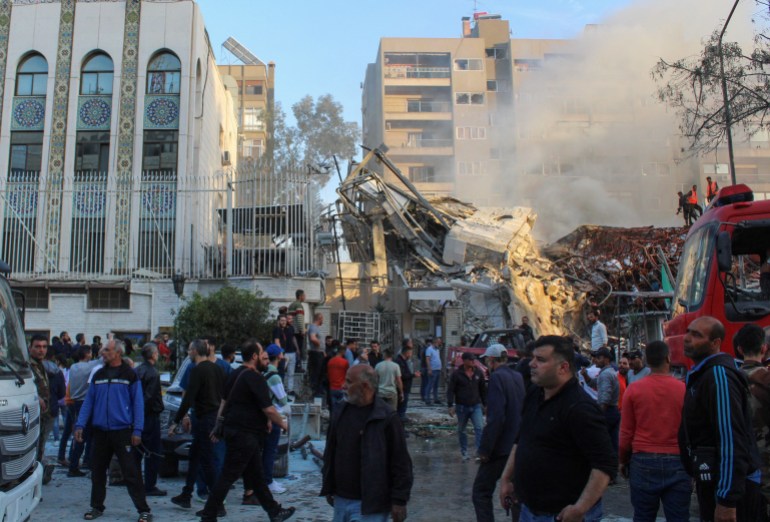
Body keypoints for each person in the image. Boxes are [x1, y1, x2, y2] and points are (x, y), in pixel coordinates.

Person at [499, 335, 617, 522]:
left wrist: (580, 508)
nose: (532, 364)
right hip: (528, 510)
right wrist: (506, 478)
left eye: (541, 360)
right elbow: (521, 439)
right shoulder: (534, 394)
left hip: (562, 515)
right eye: (533, 358)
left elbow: (605, 465)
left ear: (563, 367)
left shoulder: (580, 408)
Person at [198, 342, 295, 522]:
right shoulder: (254, 378)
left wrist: (218, 427)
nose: (265, 358)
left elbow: (224, 403)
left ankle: (274, 512)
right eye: (262, 354)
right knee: (228, 476)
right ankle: (208, 514)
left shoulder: (234, 374)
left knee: (256, 476)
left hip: (237, 432)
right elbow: (269, 409)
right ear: (254, 356)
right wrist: (284, 425)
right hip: (245, 434)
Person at [680, 316, 763, 522]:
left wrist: (727, 499)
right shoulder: (702, 374)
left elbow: (731, 439)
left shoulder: (718, 375)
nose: (687, 338)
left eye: (697, 335)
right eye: (689, 332)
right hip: (713, 483)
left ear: (715, 343)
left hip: (730, 490)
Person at [321, 364, 413, 522]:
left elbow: (401, 462)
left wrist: (399, 500)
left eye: (349, 382)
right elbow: (331, 451)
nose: (344, 386)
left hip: (370, 504)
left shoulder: (386, 417)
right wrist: (328, 484)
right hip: (341, 499)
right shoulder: (341, 412)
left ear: (364, 386)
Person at [74, 339, 152, 522]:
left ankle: (144, 510)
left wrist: (137, 430)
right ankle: (96, 507)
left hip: (123, 432)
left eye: (107, 350)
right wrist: (80, 425)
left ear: (118, 353)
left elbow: (138, 404)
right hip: (100, 432)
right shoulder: (98, 375)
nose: (103, 352)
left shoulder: (130, 375)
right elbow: (89, 402)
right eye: (103, 350)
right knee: (98, 471)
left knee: (131, 472)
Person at [619, 340, 691, 521]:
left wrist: (622, 459)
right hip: (678, 460)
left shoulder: (634, 389)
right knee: (679, 517)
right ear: (668, 358)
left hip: (643, 460)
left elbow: (626, 432)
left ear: (647, 361)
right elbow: (690, 429)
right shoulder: (683, 389)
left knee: (643, 516)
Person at [169, 340, 225, 510]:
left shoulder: (196, 370)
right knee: (195, 457)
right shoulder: (217, 368)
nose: (188, 352)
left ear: (195, 351)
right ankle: (186, 494)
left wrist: (176, 421)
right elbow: (224, 395)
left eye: (189, 349)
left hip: (204, 419)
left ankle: (217, 504)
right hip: (212, 418)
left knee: (206, 461)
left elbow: (188, 398)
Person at [473, 344, 524, 522]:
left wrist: (485, 450)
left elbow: (496, 418)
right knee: (516, 494)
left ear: (492, 360)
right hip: (517, 446)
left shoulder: (497, 378)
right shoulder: (517, 377)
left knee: (481, 491)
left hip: (500, 448)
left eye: (487, 360)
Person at [734, 323, 770, 511]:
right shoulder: (766, 378)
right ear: (764, 348)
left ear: (739, 349)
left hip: (739, 471)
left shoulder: (729, 380)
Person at [134, 342, 166, 497]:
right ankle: (149, 485)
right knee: (153, 451)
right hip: (149, 416)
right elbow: (149, 397)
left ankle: (135, 482)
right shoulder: (152, 373)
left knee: (138, 450)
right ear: (153, 355)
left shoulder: (137, 370)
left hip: (139, 415)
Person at [65, 345, 102, 476]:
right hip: (84, 403)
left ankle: (76, 462)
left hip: (74, 403)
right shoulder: (87, 367)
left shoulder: (74, 367)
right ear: (87, 354)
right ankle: (75, 466)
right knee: (83, 436)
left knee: (78, 435)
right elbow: (101, 360)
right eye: (91, 352)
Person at [447, 352, 486, 460]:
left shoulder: (478, 372)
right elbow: (451, 390)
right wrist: (450, 405)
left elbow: (483, 390)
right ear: (464, 361)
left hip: (476, 406)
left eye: (474, 359)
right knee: (461, 430)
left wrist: (486, 404)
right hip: (461, 407)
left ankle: (478, 452)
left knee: (479, 428)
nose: (473, 362)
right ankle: (464, 452)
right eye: (471, 360)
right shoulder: (456, 374)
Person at [263, 343, 290, 496]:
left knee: (267, 450)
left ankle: (267, 480)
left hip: (267, 416)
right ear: (278, 356)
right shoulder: (274, 376)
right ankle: (268, 481)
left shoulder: (265, 374)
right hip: (274, 416)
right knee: (270, 451)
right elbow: (283, 399)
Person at [29, 334, 55, 484]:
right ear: (30, 347)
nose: (41, 350)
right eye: (37, 346)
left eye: (44, 347)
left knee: (40, 450)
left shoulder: (41, 365)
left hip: (44, 415)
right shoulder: (27, 365)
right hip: (32, 415)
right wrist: (35, 396)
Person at [588, 347, 620, 455]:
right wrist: (584, 375)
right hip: (612, 411)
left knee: (600, 443)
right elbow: (595, 384)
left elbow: (605, 398)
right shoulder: (608, 372)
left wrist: (599, 416)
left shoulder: (605, 374)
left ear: (606, 359)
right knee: (613, 443)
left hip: (608, 412)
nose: (595, 360)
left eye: (599, 357)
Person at [273, 315, 298, 397]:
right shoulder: (278, 329)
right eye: (282, 320)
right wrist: (280, 353)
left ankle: (285, 391)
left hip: (287, 353)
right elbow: (277, 341)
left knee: (285, 373)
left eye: (285, 320)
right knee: (280, 373)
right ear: (278, 321)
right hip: (282, 354)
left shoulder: (284, 329)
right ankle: (280, 393)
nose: (284, 322)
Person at [395, 340, 418, 421]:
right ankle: (400, 419)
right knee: (402, 404)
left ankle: (401, 417)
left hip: (405, 387)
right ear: (407, 353)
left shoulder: (403, 361)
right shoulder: (399, 361)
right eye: (410, 353)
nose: (411, 355)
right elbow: (402, 375)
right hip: (403, 387)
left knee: (403, 404)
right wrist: (413, 375)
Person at [327, 344, 349, 415]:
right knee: (341, 410)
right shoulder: (345, 362)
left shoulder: (330, 361)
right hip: (341, 387)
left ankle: (333, 423)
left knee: (333, 409)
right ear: (343, 351)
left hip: (332, 387)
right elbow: (347, 374)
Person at [307, 312, 325, 397]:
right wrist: (318, 345)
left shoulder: (316, 327)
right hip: (315, 353)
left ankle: (318, 391)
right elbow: (313, 338)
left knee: (320, 373)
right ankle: (314, 392)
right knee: (316, 373)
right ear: (319, 318)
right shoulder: (313, 327)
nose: (323, 321)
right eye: (322, 319)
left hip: (319, 353)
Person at [288, 289, 306, 371]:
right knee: (298, 349)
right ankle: (297, 366)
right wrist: (302, 331)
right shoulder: (299, 305)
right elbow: (299, 319)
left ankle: (293, 365)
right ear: (300, 296)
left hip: (292, 331)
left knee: (294, 349)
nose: (305, 297)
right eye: (304, 295)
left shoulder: (291, 305)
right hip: (297, 332)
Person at [425, 338, 442, 405]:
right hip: (433, 370)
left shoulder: (437, 349)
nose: (440, 344)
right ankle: (427, 400)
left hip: (438, 369)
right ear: (435, 342)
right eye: (439, 343)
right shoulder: (429, 349)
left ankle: (436, 399)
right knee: (430, 385)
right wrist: (429, 369)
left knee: (436, 385)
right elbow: (427, 359)